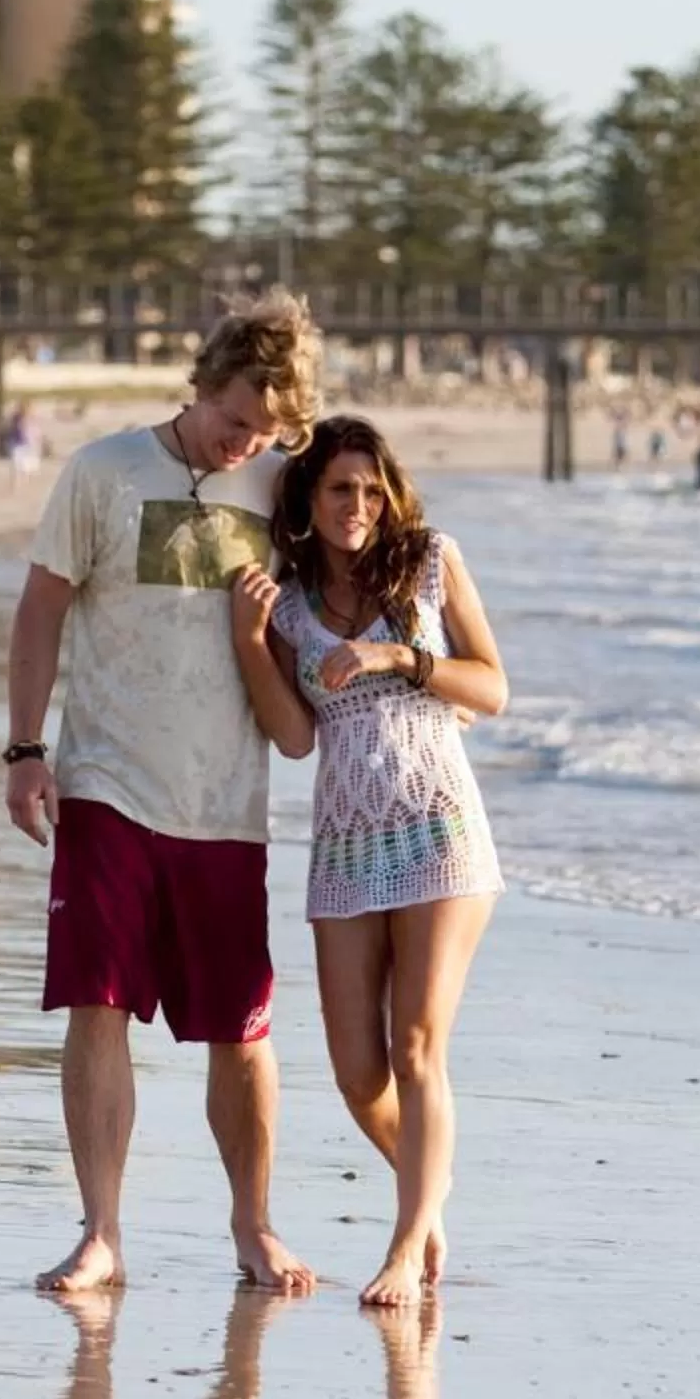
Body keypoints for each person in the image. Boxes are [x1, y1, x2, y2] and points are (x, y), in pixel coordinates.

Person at [6, 290, 326, 1297]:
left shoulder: (281, 489)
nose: (244, 446)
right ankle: (101, 1231)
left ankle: (254, 1225)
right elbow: (41, 608)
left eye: (265, 432)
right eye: (235, 421)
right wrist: (25, 750)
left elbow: (362, 561)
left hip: (226, 800)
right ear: (204, 382)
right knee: (96, 1003)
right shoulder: (102, 472)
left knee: (242, 1025)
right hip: (105, 781)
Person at [228, 417, 506, 1308]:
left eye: (372, 490)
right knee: (358, 1074)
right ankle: (433, 1187)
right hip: (345, 841)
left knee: (417, 1045)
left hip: (439, 827)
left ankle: (408, 1237)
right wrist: (249, 641)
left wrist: (399, 654)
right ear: (310, 497)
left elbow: (492, 688)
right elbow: (295, 739)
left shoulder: (428, 561)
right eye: (341, 489)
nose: (358, 506)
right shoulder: (294, 606)